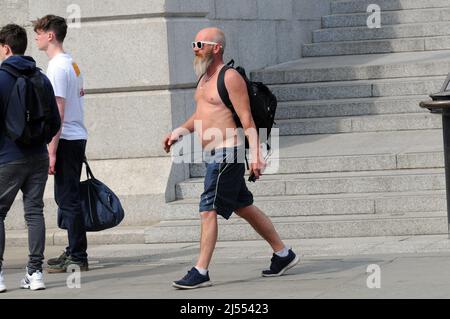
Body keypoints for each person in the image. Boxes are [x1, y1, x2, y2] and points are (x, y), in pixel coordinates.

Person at [163, 27, 299, 289]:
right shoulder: (204, 77)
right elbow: (201, 114)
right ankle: (283, 254)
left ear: (217, 48)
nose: (195, 48)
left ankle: (200, 270)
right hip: (212, 152)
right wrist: (179, 131)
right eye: (193, 43)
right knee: (242, 206)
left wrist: (257, 155)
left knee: (208, 208)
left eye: (200, 44)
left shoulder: (230, 77)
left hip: (228, 152)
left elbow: (247, 119)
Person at [0, 24, 59, 291]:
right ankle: (35, 273)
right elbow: (55, 121)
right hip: (38, 157)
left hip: (7, 157)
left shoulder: (1, 77)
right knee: (34, 213)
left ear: (6, 47)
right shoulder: (41, 77)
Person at [33, 15, 89, 273]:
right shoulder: (72, 64)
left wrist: (51, 152)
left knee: (67, 199)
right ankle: (74, 250)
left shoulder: (56, 67)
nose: (36, 38)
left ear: (50, 35)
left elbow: (58, 110)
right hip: (75, 136)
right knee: (68, 197)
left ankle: (78, 256)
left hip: (65, 138)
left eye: (39, 33)